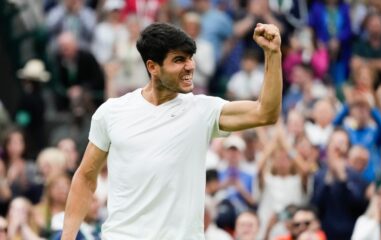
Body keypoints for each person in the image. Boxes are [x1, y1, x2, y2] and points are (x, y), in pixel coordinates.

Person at [61, 22, 282, 239]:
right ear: (153, 67)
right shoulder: (111, 112)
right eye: (179, 60)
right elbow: (85, 177)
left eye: (190, 58)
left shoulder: (203, 110)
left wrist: (273, 54)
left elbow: (265, 113)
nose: (190, 66)